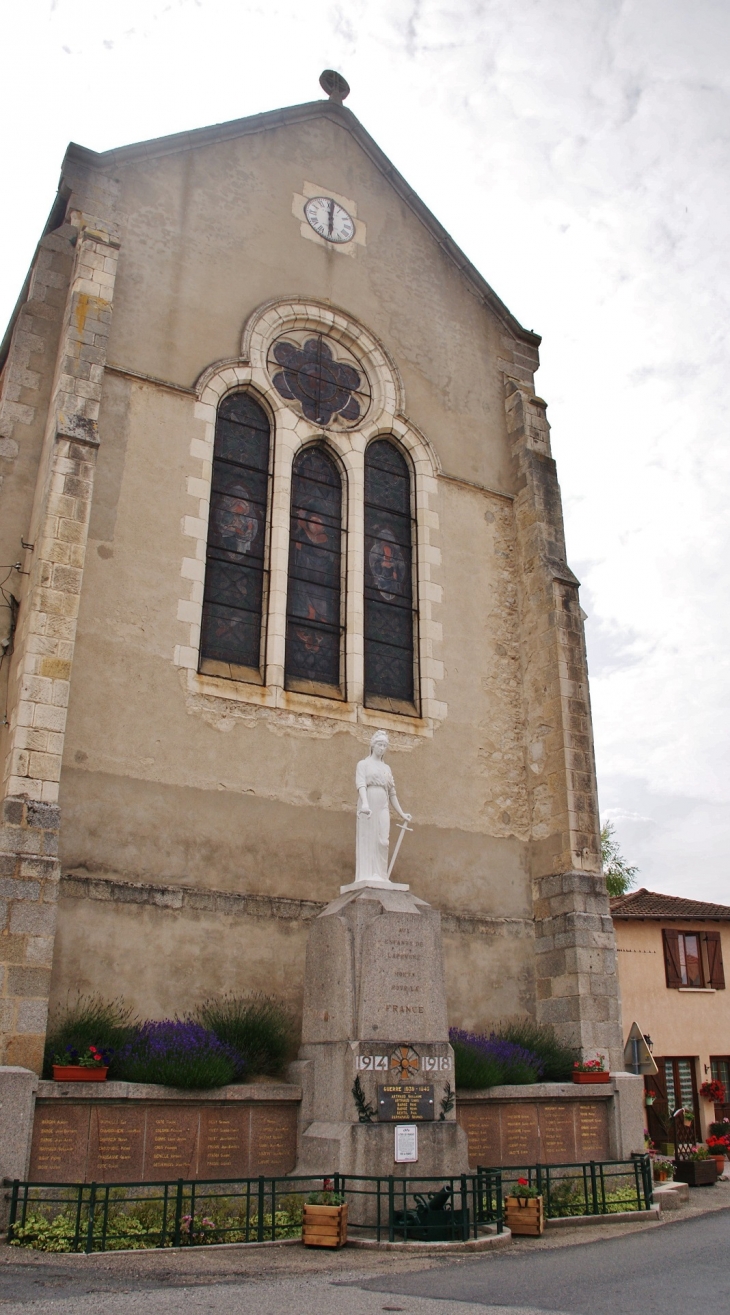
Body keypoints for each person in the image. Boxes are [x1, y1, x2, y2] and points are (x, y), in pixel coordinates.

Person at [355, 730, 411, 883]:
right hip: (369, 802)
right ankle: (369, 874)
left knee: (383, 841)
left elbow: (392, 792)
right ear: (373, 745)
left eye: (385, 745)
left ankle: (381, 875)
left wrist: (401, 813)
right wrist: (365, 803)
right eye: (379, 744)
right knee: (369, 838)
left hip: (383, 803)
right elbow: (361, 785)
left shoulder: (387, 769)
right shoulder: (363, 764)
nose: (382, 748)